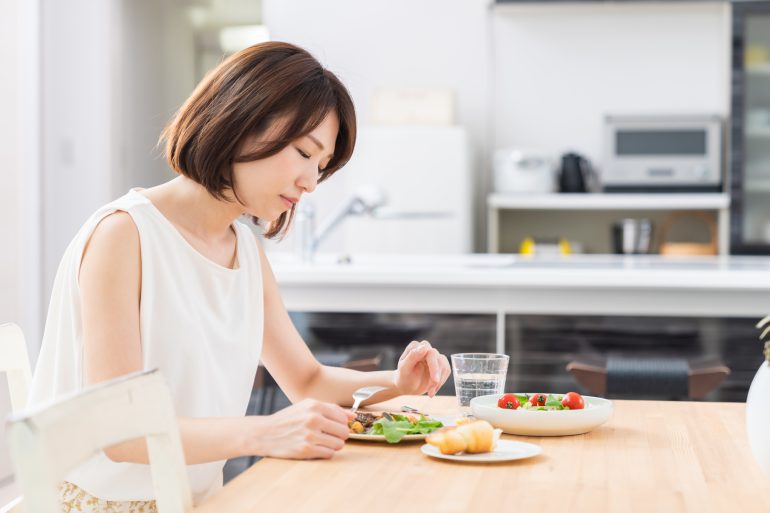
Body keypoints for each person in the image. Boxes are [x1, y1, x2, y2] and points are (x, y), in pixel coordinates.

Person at [29, 41, 451, 510]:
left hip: (197, 500)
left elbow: (307, 381)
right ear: (240, 119)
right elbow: (118, 431)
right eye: (303, 152)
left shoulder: (245, 250)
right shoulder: (124, 235)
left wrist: (397, 383)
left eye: (322, 166)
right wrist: (265, 433)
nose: (312, 181)